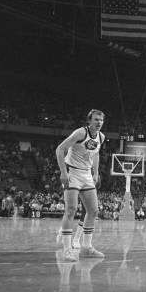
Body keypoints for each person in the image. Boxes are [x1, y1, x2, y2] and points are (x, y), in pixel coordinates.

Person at [55, 110, 106, 262]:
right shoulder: (80, 133)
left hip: (86, 174)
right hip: (72, 172)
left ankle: (86, 248)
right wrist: (63, 172)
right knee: (71, 210)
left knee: (93, 210)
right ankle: (67, 250)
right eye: (96, 119)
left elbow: (95, 154)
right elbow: (60, 149)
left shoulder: (101, 137)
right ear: (89, 120)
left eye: (101, 120)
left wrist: (96, 173)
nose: (99, 122)